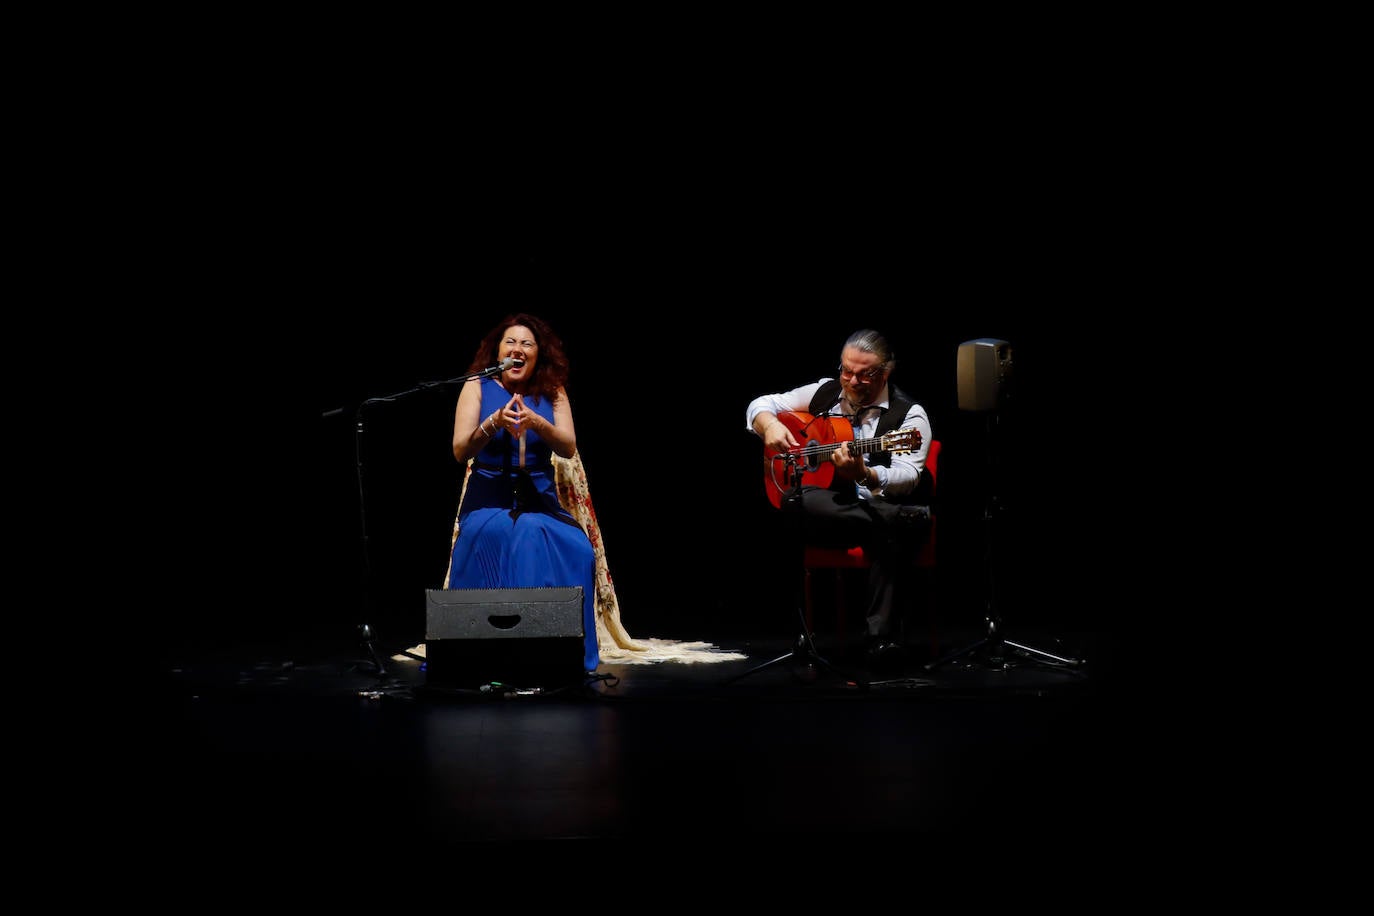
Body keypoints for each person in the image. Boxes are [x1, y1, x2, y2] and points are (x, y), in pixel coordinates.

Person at [745, 328, 934, 665]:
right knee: (795, 499)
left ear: (886, 372)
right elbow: (761, 404)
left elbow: (908, 476)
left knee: (884, 529)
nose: (852, 380)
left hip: (874, 510)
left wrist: (865, 474)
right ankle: (902, 520)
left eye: (865, 374)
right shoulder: (826, 392)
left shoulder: (910, 416)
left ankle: (879, 644)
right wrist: (768, 425)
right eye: (847, 371)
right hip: (830, 516)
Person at [445, 313, 599, 673]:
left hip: (539, 500)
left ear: (537, 354)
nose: (518, 349)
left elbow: (568, 447)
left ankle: (557, 652)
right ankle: (496, 651)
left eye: (527, 344)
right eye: (510, 342)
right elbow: (459, 451)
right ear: (497, 352)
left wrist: (536, 422)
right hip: (488, 498)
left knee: (576, 548)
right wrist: (493, 422)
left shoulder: (553, 389)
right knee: (506, 536)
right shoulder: (476, 386)